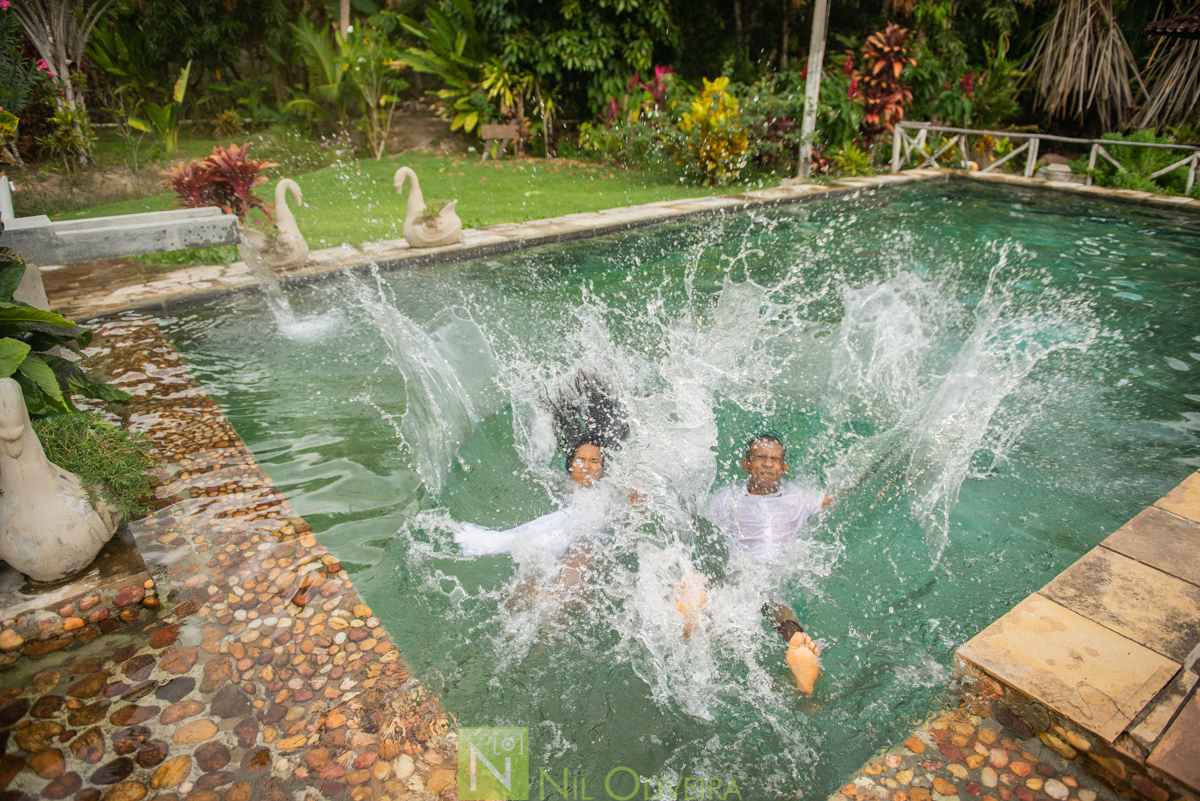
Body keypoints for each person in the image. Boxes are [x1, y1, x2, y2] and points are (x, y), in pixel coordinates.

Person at [676, 434, 830, 693]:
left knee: (775, 602)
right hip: (741, 575)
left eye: (775, 459)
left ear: (784, 468)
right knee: (700, 587)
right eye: (760, 457)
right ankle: (687, 634)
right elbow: (690, 515)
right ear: (746, 464)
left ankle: (798, 648)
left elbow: (844, 496)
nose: (768, 464)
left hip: (777, 575)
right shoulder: (725, 499)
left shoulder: (801, 498)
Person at [452, 372, 628, 598]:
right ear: (570, 466)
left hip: (589, 537)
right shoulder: (561, 482)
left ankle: (554, 607)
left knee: (571, 573)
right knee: (527, 581)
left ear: (602, 469)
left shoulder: (606, 490)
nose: (586, 466)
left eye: (594, 461)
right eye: (581, 460)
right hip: (561, 531)